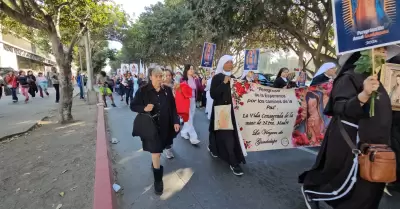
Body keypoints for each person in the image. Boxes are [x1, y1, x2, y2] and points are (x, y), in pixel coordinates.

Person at [299, 52, 393, 209]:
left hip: (378, 143)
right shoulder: (348, 77)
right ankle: (311, 191)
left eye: (384, 49)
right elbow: (340, 107)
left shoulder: (383, 78)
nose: (382, 52)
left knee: (373, 184)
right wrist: (363, 95)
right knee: (347, 183)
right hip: (352, 141)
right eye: (377, 48)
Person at [130, 67, 180, 195]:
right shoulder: (143, 91)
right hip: (151, 127)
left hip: (165, 126)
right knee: (156, 152)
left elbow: (173, 108)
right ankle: (158, 180)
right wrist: (144, 108)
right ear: (150, 77)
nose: (159, 78)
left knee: (161, 148)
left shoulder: (167, 90)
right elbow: (133, 106)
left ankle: (155, 165)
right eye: (156, 76)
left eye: (160, 76)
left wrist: (175, 121)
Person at [208, 55, 246, 176]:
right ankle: (233, 162)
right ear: (222, 64)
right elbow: (213, 94)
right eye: (228, 62)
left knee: (228, 135)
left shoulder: (233, 77)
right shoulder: (217, 77)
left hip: (233, 111)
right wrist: (224, 83)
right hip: (222, 111)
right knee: (227, 136)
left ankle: (214, 148)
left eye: (231, 62)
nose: (231, 64)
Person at [180, 64, 200, 145]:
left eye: (193, 69)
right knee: (189, 119)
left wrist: (198, 79)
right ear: (186, 70)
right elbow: (181, 90)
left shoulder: (195, 79)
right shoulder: (183, 79)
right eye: (190, 69)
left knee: (190, 118)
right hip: (186, 100)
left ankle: (183, 132)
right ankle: (193, 137)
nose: (192, 70)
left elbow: (200, 88)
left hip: (193, 100)